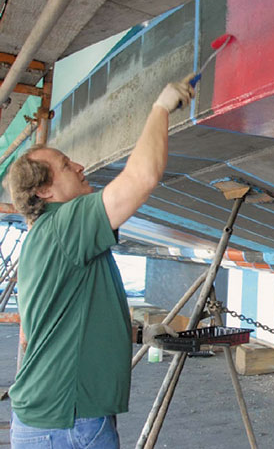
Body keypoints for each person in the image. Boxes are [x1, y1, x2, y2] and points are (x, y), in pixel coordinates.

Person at [4, 75, 194, 448]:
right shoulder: (63, 224)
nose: (79, 166)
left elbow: (39, 328)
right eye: (65, 164)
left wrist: (133, 333)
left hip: (48, 419)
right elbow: (141, 178)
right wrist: (160, 107)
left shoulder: (41, 239)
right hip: (68, 422)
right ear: (45, 190)